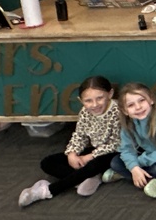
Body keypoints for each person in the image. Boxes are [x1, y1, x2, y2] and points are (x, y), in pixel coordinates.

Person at [18, 75, 120, 208]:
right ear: (81, 100)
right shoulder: (85, 112)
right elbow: (80, 135)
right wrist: (72, 153)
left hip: (115, 152)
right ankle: (89, 178)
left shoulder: (117, 111)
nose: (95, 104)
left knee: (94, 165)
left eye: (100, 98)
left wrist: (89, 157)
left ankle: (48, 190)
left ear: (110, 94)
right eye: (88, 101)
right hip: (96, 151)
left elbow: (116, 143)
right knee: (47, 162)